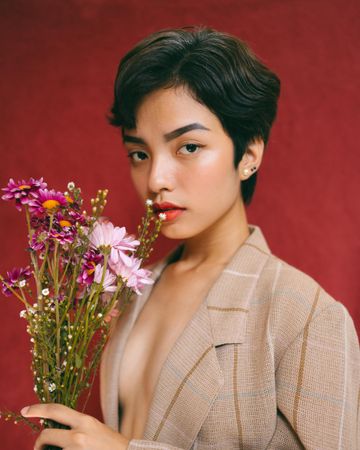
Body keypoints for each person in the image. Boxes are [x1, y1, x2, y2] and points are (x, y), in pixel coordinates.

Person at [21, 25, 360, 450]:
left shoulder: (305, 317)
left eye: (189, 147)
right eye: (139, 154)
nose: (156, 179)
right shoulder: (129, 292)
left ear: (249, 155)